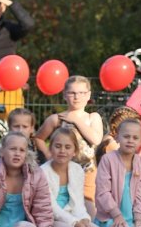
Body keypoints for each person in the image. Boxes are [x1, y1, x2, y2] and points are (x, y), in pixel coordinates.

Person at [35, 75, 104, 215]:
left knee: (88, 210)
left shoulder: (92, 117)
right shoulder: (57, 119)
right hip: (63, 172)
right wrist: (49, 155)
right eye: (72, 93)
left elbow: (96, 139)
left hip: (87, 172)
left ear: (88, 95)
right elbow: (38, 138)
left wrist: (76, 121)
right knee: (65, 207)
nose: (77, 97)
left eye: (81, 93)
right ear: (65, 95)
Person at [41, 125, 106, 227]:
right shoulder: (43, 172)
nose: (62, 151)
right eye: (58, 146)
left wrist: (84, 219)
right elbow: (51, 207)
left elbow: (78, 203)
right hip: (51, 218)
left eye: (68, 147)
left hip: (72, 216)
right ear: (51, 148)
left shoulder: (77, 170)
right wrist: (74, 223)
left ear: (74, 151)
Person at [94, 119, 141, 227]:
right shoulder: (108, 159)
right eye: (126, 136)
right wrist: (116, 215)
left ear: (140, 141)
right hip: (110, 218)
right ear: (117, 137)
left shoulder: (140, 163)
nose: (130, 140)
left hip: (130, 219)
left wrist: (138, 218)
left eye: (135, 137)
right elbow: (102, 193)